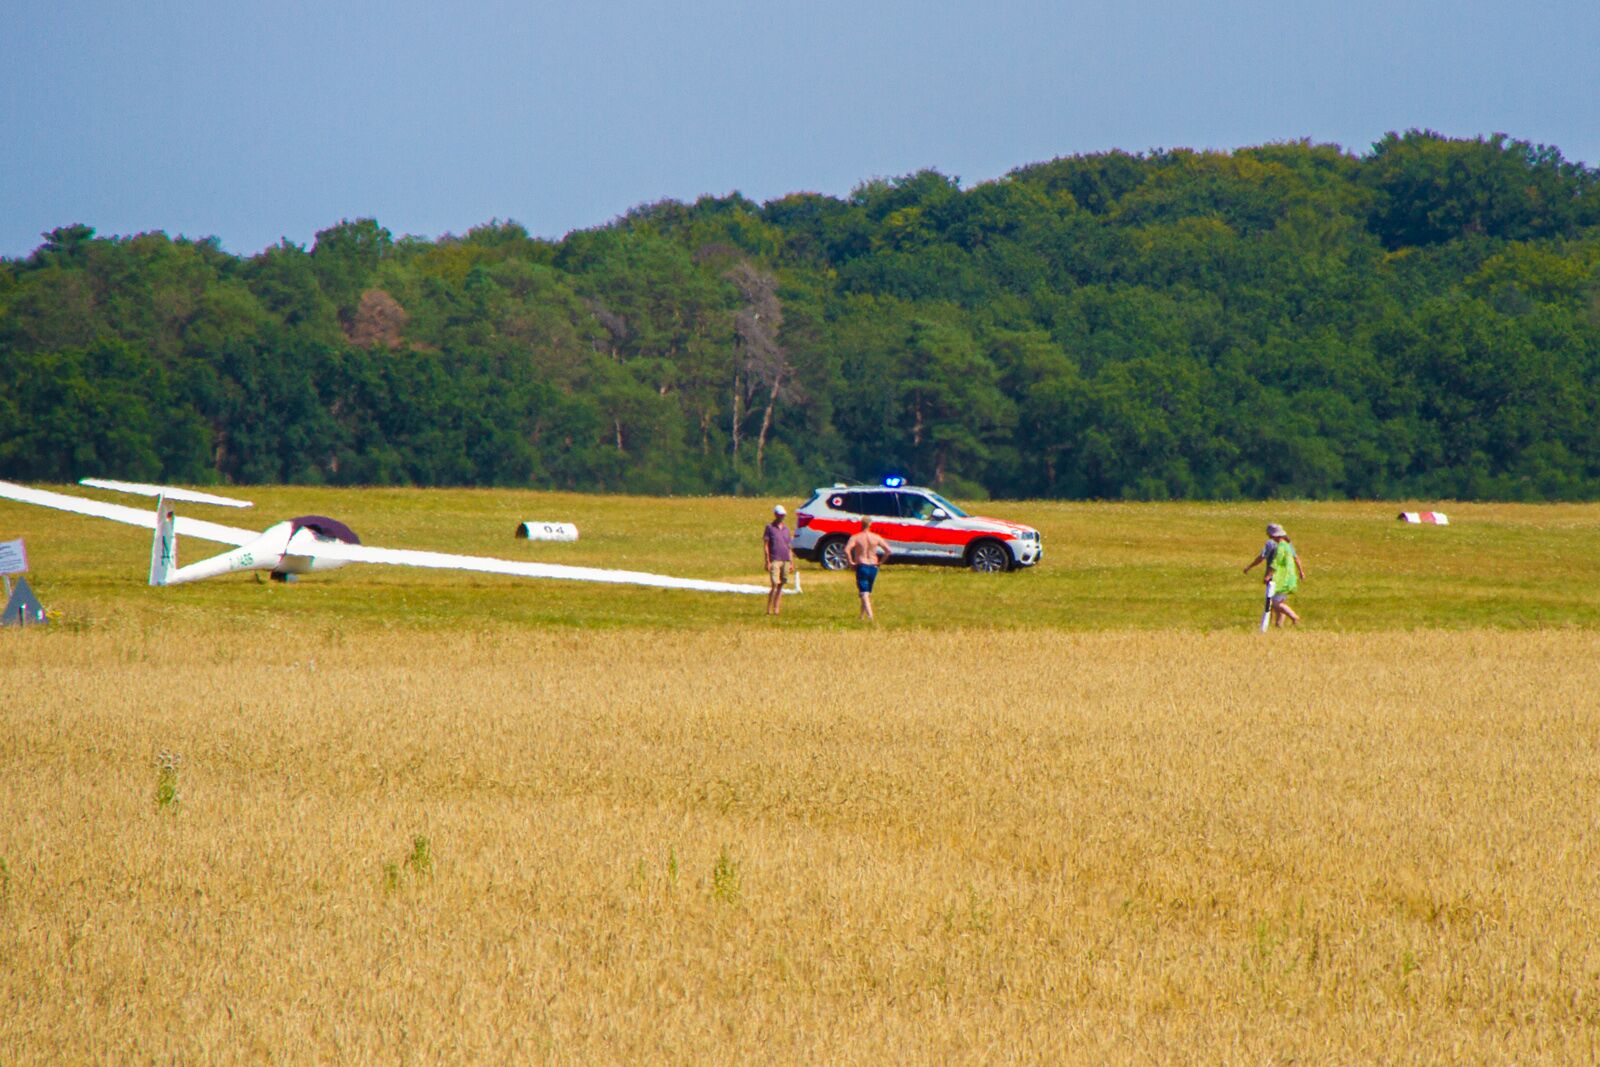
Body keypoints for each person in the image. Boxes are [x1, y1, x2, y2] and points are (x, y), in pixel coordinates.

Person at [1243, 522, 1306, 627]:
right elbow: (1296, 558)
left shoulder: (1275, 545)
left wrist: (1264, 573)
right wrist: (1300, 571)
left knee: (1274, 603)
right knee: (1280, 601)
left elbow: (1271, 561)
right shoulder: (1287, 544)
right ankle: (1279, 624)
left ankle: (1292, 617)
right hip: (1288, 576)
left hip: (1278, 577)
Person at [844, 517, 892, 621]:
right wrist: (881, 562)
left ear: (861, 524)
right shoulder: (876, 537)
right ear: (871, 525)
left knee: (864, 593)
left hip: (862, 565)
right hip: (873, 566)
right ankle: (861, 617)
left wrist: (851, 562)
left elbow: (847, 550)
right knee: (866, 592)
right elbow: (888, 550)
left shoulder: (856, 537)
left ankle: (870, 616)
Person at [762, 504, 794, 616]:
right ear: (775, 515)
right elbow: (766, 544)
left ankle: (776, 608)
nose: (781, 517)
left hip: (785, 559)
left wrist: (791, 562)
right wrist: (767, 560)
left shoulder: (786, 529)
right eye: (780, 514)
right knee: (775, 584)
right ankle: (768, 608)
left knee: (781, 585)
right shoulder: (769, 528)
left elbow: (789, 546)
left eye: (783, 515)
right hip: (775, 559)